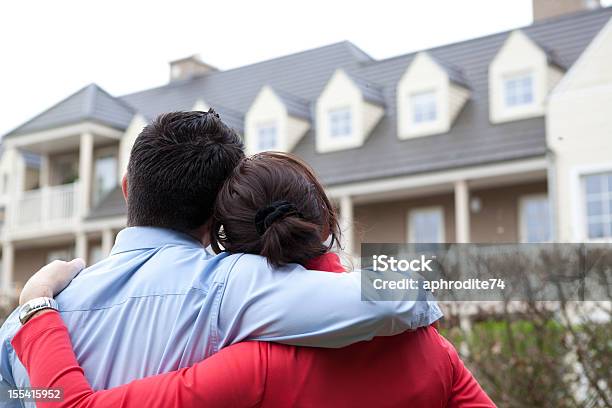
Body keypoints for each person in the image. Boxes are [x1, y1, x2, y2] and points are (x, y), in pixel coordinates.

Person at [0, 111, 442, 405]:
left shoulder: (26, 324)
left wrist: (34, 308)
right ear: (221, 209)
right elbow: (400, 297)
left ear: (127, 188)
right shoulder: (236, 285)